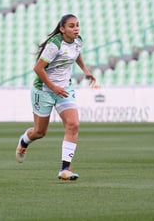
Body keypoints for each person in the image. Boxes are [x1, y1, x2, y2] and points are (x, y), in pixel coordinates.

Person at [15, 14, 96, 180]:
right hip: (43, 90)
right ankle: (24, 141)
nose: (76, 29)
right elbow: (38, 69)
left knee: (73, 124)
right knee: (39, 132)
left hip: (64, 89)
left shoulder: (78, 40)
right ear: (62, 29)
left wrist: (86, 71)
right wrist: (53, 87)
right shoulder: (55, 45)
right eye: (72, 26)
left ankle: (64, 169)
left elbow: (76, 54)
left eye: (77, 25)